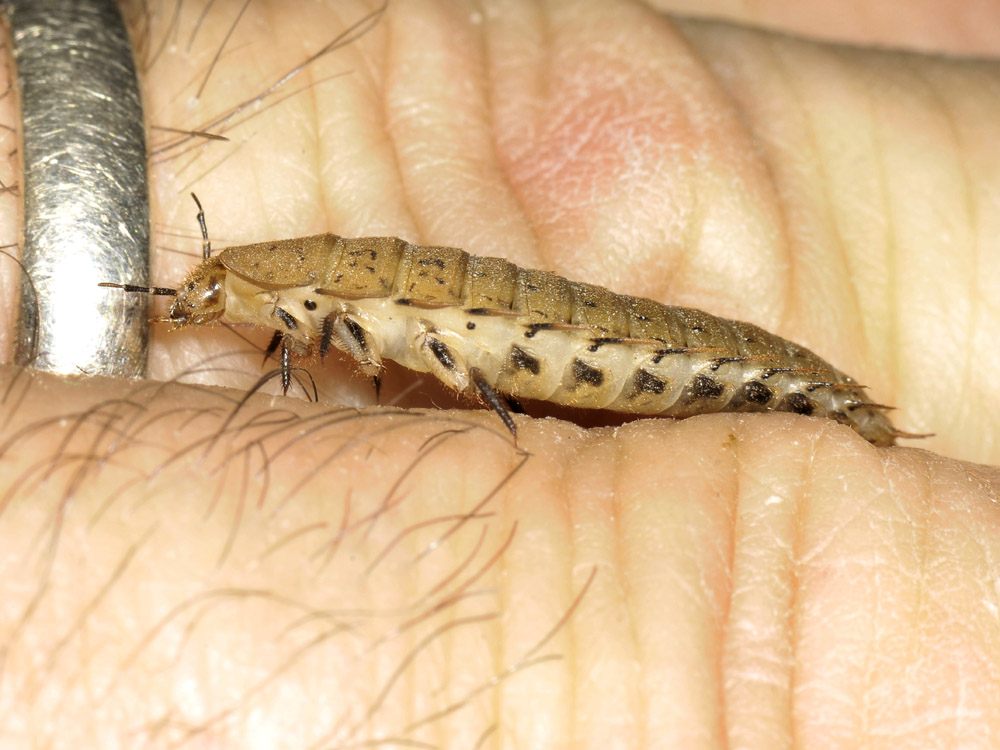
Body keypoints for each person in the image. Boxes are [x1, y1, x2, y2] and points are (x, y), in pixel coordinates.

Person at [2, 0, 999, 745]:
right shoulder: (316, 302)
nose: (195, 309)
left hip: (603, 338)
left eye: (213, 294)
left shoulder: (330, 298)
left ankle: (827, 399)